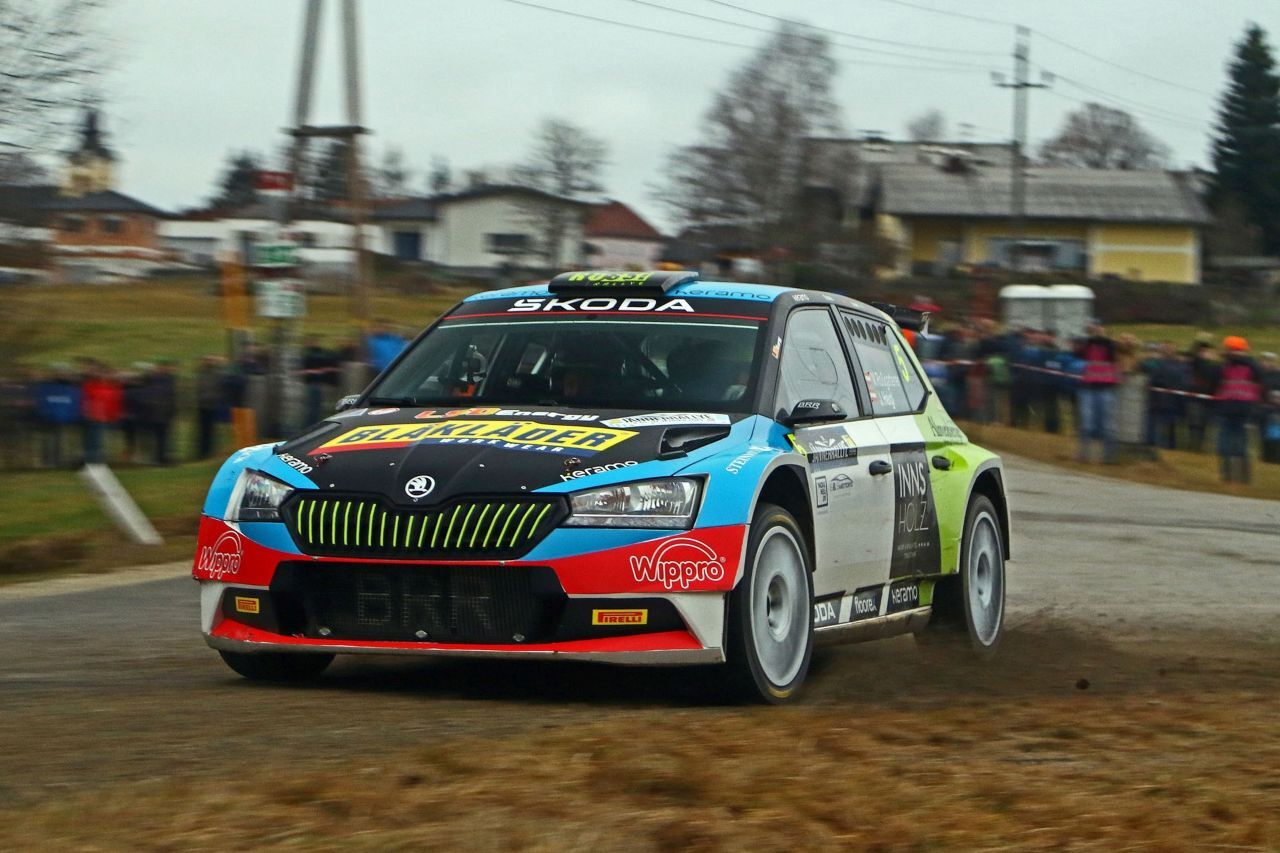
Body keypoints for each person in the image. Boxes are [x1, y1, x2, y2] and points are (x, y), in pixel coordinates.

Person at [1213, 336, 1264, 484]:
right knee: (1224, 446)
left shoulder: (1251, 366)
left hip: (1243, 411)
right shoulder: (1224, 366)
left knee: (1240, 446)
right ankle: (1226, 476)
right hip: (1227, 409)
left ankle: (1243, 478)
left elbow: (1258, 375)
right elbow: (1215, 381)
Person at [1075, 323, 1122, 463]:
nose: (1098, 331)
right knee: (1087, 425)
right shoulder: (1088, 344)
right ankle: (1083, 455)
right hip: (1088, 388)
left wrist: (1103, 337)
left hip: (1105, 388)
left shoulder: (1110, 346)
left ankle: (1109, 457)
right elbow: (1081, 353)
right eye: (1097, 328)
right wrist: (1090, 336)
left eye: (1101, 328)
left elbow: (1112, 352)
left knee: (1107, 426)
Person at [33, 365, 81, 468]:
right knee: (47, 440)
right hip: (49, 418)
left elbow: (72, 400)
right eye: (59, 372)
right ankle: (46, 461)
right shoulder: (48, 384)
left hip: (61, 417)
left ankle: (58, 460)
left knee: (59, 439)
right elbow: (43, 398)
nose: (61, 374)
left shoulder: (70, 385)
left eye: (62, 372)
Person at [81, 361, 124, 465]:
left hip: (105, 418)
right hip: (92, 416)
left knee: (99, 440)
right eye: (102, 373)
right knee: (91, 439)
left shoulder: (114, 387)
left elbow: (116, 402)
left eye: (105, 373)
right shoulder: (90, 385)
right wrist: (86, 412)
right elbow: (85, 399)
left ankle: (97, 460)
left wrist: (114, 415)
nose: (103, 375)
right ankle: (90, 460)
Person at [194, 355, 226, 460]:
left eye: (211, 360)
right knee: (202, 430)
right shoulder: (202, 374)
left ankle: (209, 452)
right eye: (208, 360)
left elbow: (220, 387)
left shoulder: (216, 373)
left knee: (211, 431)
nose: (209, 362)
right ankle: (202, 452)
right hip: (203, 406)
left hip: (212, 406)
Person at [1260, 352, 1280, 465]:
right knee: (1263, 433)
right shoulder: (1259, 374)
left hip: (1275, 408)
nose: (1266, 363)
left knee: (1275, 433)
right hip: (1262, 408)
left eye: (1269, 360)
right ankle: (1265, 456)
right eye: (1264, 360)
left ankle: (1274, 458)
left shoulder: (1277, 375)